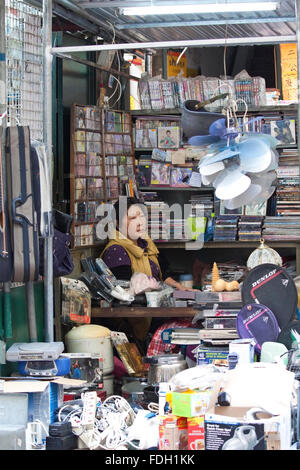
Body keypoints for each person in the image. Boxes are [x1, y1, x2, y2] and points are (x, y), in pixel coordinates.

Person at [100, 197, 194, 342]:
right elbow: (123, 292)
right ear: (117, 223)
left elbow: (162, 274)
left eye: (142, 216)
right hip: (133, 324)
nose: (140, 222)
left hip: (154, 312)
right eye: (132, 218)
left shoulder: (146, 244)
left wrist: (181, 289)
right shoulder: (116, 251)